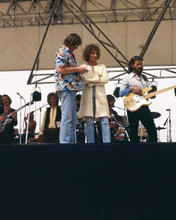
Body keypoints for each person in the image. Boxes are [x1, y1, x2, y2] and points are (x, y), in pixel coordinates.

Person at [55, 33, 86, 143]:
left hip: (70, 88)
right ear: (72, 43)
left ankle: (71, 141)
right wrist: (78, 69)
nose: (76, 48)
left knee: (72, 118)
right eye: (76, 45)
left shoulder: (69, 54)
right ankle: (64, 142)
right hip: (66, 87)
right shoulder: (63, 52)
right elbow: (60, 69)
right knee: (67, 117)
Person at [119, 56, 157, 143]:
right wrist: (132, 88)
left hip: (144, 106)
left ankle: (153, 150)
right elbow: (121, 93)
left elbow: (148, 91)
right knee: (133, 131)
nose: (140, 66)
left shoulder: (144, 78)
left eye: (141, 64)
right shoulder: (127, 77)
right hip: (133, 107)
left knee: (152, 130)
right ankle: (134, 152)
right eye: (138, 64)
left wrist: (152, 95)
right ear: (132, 65)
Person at [78, 44, 111, 143]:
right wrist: (98, 77)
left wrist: (91, 81)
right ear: (88, 54)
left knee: (104, 120)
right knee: (89, 121)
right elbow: (83, 80)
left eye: (96, 53)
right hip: (88, 96)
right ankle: (90, 143)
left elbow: (105, 79)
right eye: (93, 53)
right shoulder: (83, 67)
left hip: (100, 96)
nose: (95, 55)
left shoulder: (102, 66)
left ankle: (107, 143)